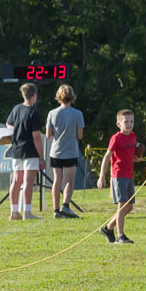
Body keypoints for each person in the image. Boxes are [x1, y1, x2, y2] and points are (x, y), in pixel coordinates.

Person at [97, 109, 140, 243]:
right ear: (118, 124)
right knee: (122, 206)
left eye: (131, 121)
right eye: (125, 122)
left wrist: (136, 157)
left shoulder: (133, 136)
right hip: (118, 175)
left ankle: (108, 228)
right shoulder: (116, 138)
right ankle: (120, 236)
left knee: (129, 207)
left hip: (129, 175)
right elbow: (107, 156)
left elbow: (130, 155)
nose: (129, 124)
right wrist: (101, 176)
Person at [45, 84, 85, 218]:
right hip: (70, 152)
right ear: (72, 97)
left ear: (59, 96)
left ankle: (56, 210)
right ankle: (66, 206)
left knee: (57, 180)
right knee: (69, 181)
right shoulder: (78, 114)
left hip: (55, 152)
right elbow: (79, 136)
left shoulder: (52, 113)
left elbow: (48, 135)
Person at [5, 83, 44, 221]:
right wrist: (41, 157)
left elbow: (9, 124)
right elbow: (36, 137)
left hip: (16, 149)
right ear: (34, 95)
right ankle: (27, 212)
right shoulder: (34, 112)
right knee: (28, 180)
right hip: (30, 150)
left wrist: (15, 131)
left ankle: (14, 211)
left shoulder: (16, 109)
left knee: (16, 181)